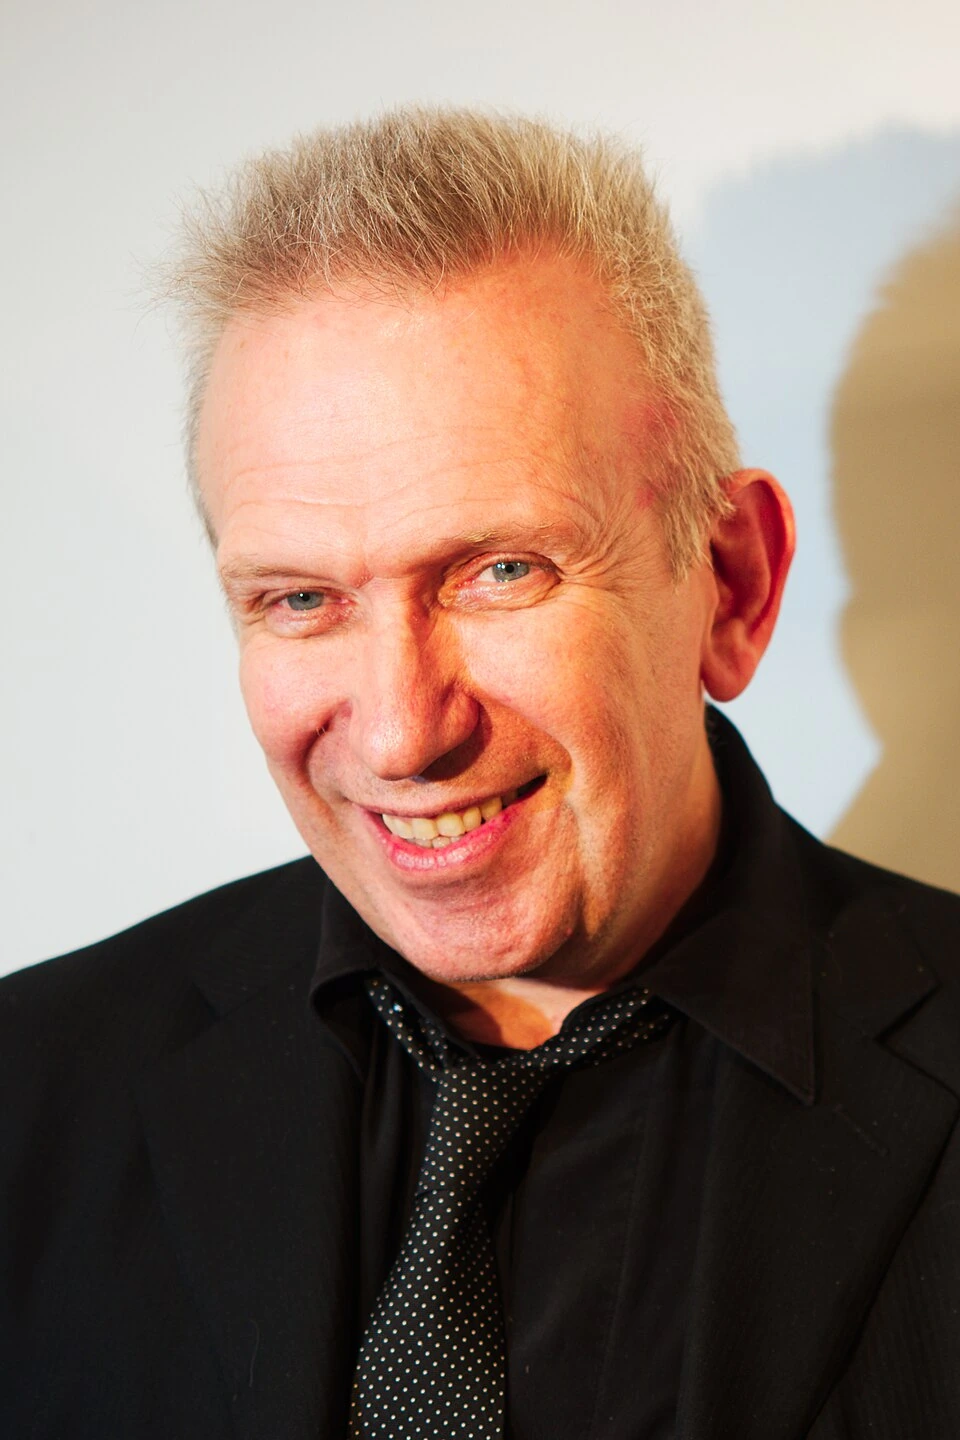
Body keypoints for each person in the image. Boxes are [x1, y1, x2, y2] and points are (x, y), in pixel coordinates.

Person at [2, 108, 959, 1440]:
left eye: (500, 571)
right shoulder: (29, 1094)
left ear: (730, 585)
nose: (401, 736)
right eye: (299, 599)